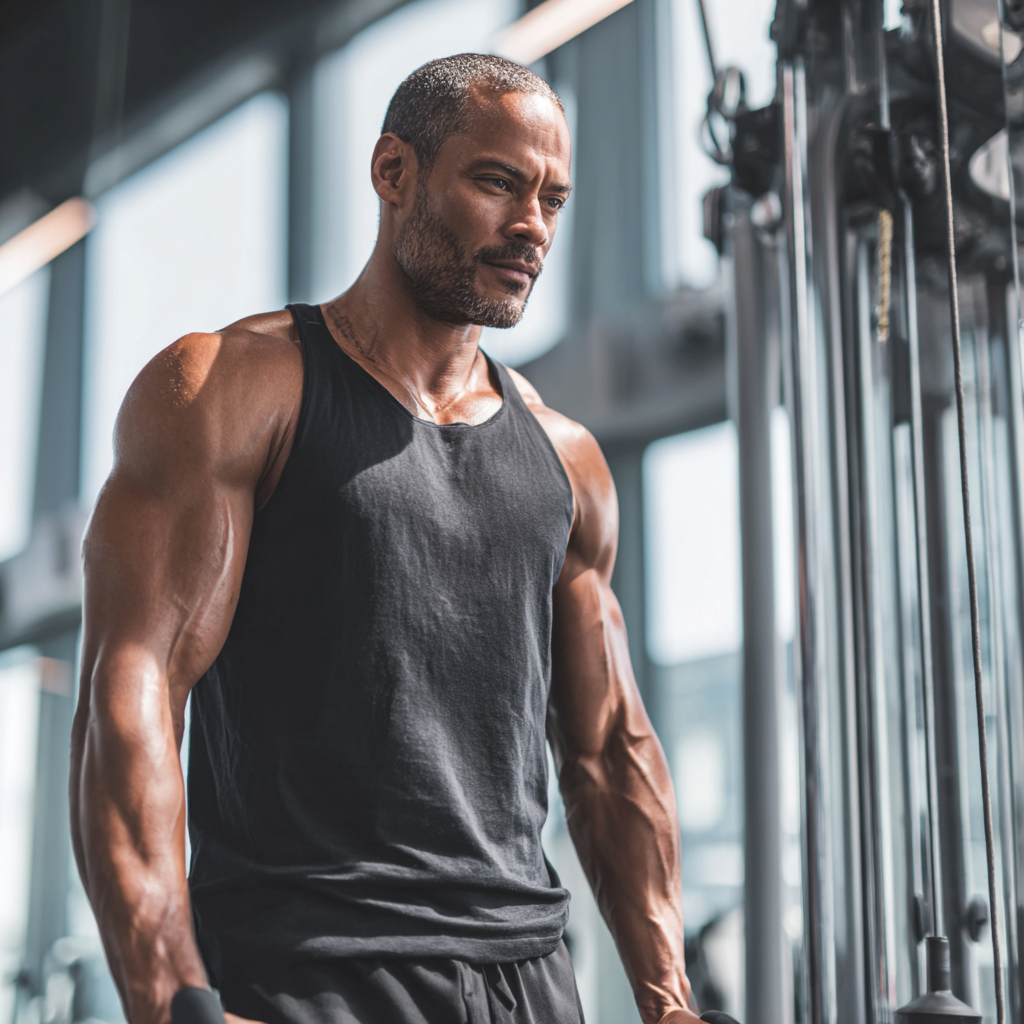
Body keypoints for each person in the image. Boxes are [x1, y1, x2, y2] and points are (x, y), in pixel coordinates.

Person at [70, 54, 701, 1024]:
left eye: (553, 199)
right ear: (393, 173)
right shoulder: (231, 390)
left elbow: (609, 751)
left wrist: (669, 1001)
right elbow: (135, 689)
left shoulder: (566, 460)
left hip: (525, 980)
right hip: (306, 971)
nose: (532, 225)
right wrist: (167, 999)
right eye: (496, 182)